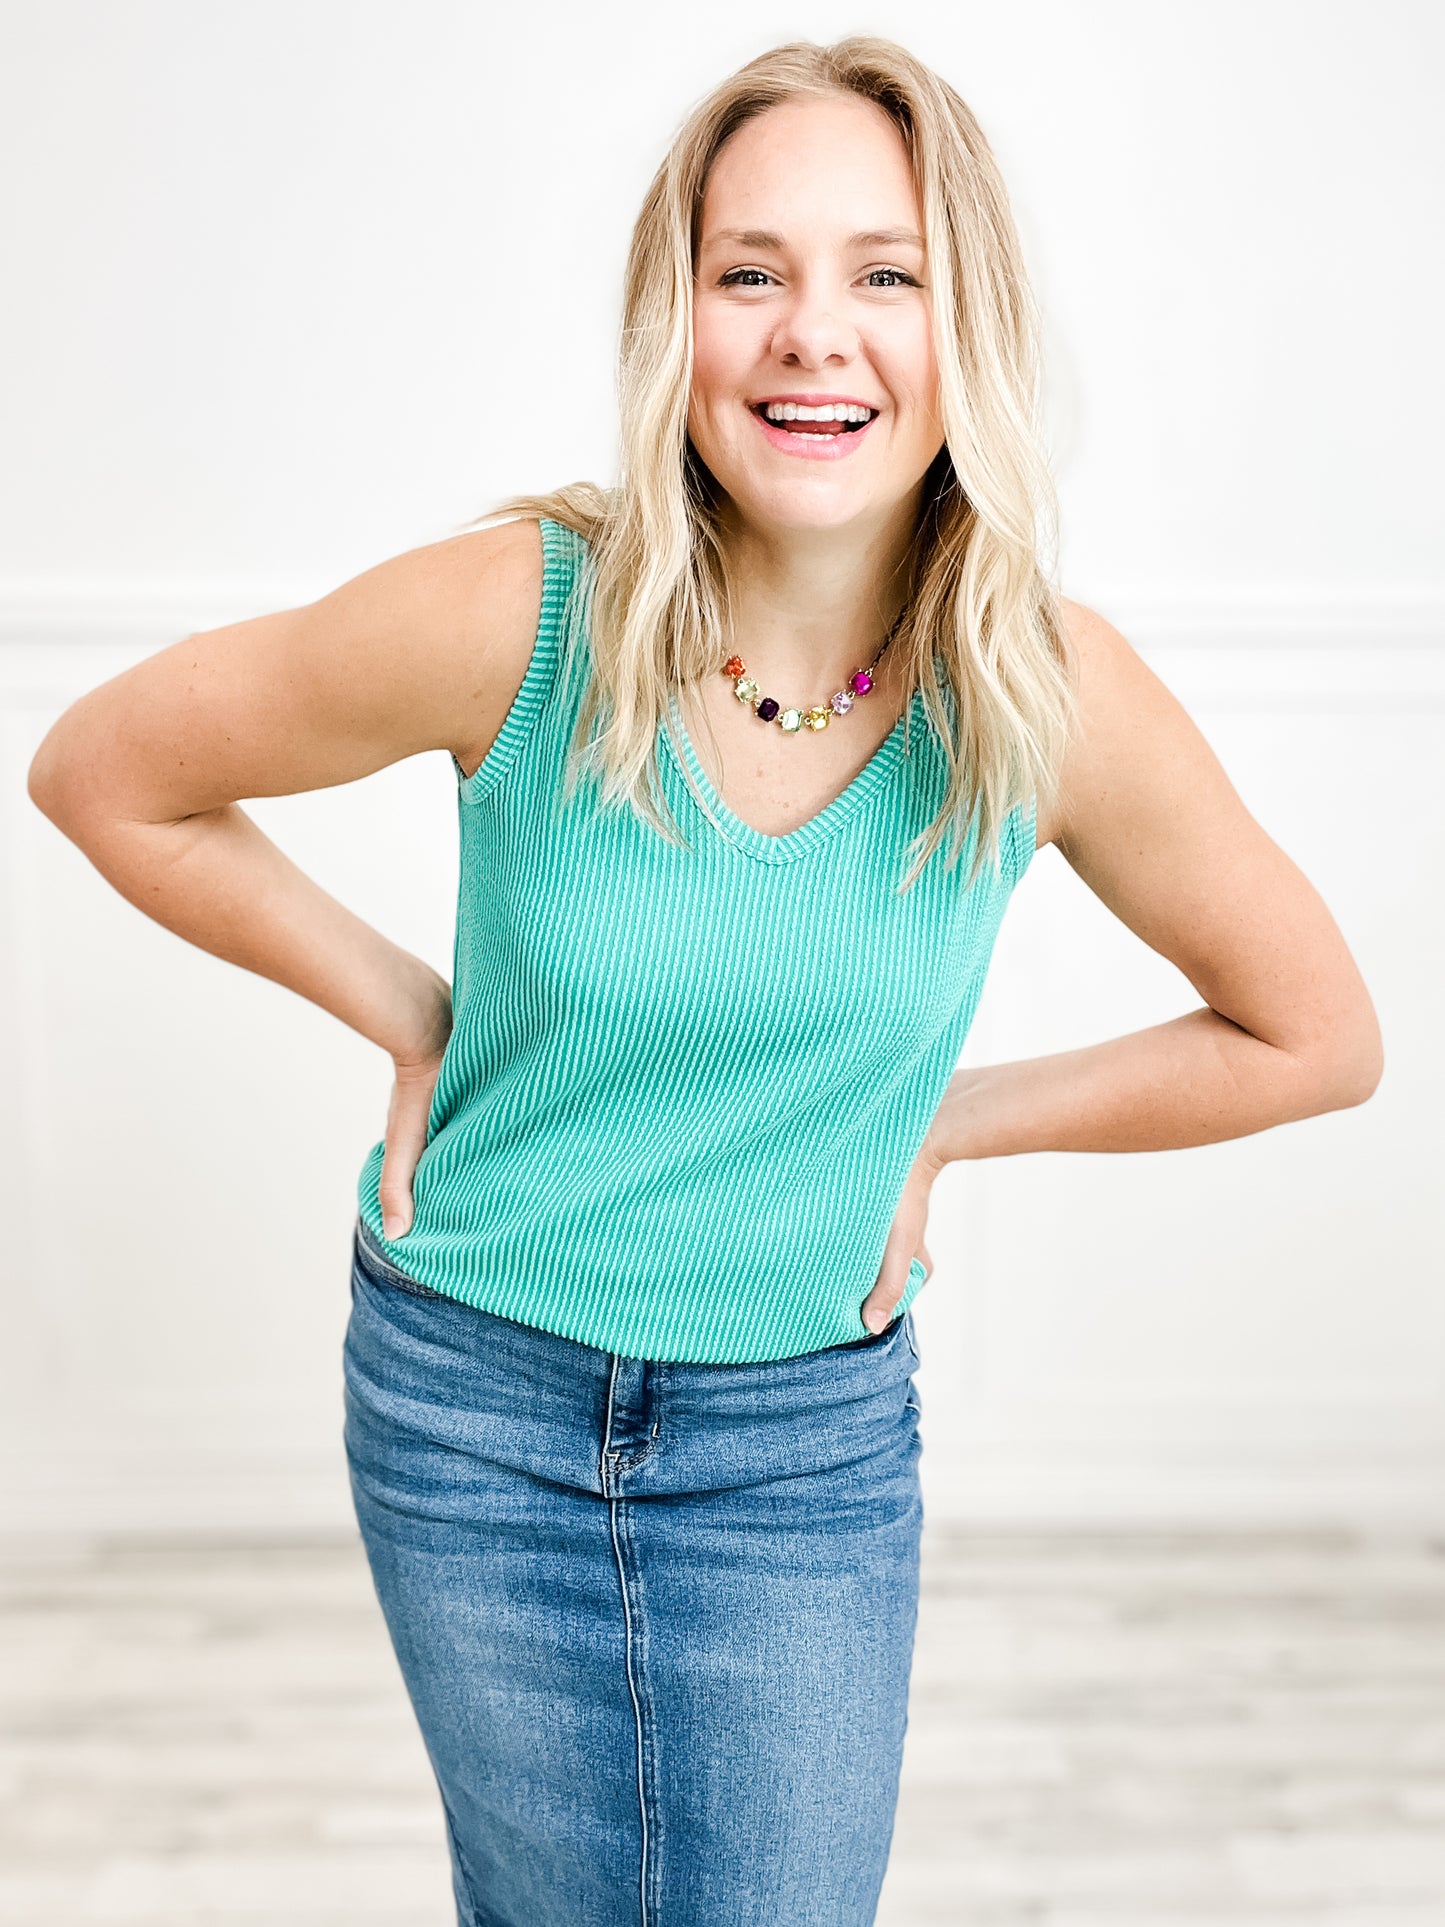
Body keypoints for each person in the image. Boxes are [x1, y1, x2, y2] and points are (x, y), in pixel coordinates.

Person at [27, 32, 1383, 1927]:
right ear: (675, 322)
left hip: (795, 1453)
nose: (809, 332)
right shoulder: (516, 611)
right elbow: (105, 771)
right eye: (749, 270)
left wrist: (938, 1128)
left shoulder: (1044, 692)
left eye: (881, 273)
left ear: (962, 326)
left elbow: (1314, 1035)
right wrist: (414, 1013)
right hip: (463, 1407)